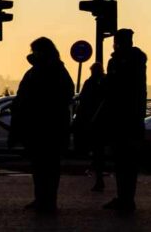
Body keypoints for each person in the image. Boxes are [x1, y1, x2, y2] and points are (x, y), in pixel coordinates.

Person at [10, 38, 75, 214]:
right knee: (42, 166)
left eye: (36, 50)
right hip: (45, 125)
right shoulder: (51, 71)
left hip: (46, 125)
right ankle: (43, 199)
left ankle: (46, 200)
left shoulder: (41, 72)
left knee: (46, 166)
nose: (33, 54)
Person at [99, 29, 148, 212]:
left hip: (121, 117)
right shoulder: (137, 60)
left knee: (122, 160)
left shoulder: (118, 61)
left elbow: (112, 86)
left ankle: (124, 199)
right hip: (134, 117)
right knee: (128, 162)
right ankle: (127, 198)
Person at [74, 62, 106, 192]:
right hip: (100, 121)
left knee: (96, 150)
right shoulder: (104, 82)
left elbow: (83, 100)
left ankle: (98, 176)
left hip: (91, 120)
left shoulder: (90, 83)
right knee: (99, 150)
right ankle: (98, 175)